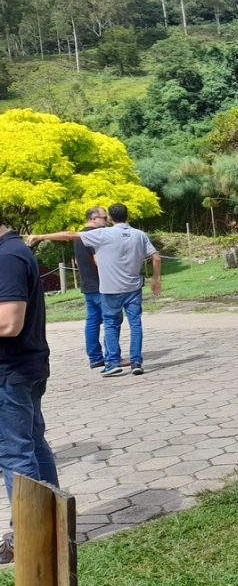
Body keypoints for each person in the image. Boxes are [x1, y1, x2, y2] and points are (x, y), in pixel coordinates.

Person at [27, 203, 161, 377]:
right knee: (135, 323)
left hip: (110, 289)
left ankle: (112, 362)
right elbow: (156, 257)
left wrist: (41, 236)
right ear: (127, 216)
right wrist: (156, 279)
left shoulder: (103, 234)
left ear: (110, 218)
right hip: (133, 287)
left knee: (110, 324)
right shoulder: (139, 234)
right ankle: (136, 361)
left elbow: (69, 235)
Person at [0, 215, 59, 565]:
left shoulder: (6, 257)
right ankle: (52, 526)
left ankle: (30, 539)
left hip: (10, 372)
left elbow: (9, 322)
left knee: (15, 453)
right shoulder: (14, 250)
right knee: (32, 445)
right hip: (25, 367)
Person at [75, 206, 109, 370]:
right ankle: (112, 356)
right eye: (104, 218)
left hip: (87, 283)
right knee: (111, 320)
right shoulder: (94, 235)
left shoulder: (79, 236)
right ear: (94, 219)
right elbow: (98, 260)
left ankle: (95, 357)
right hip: (100, 284)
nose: (107, 221)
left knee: (92, 321)